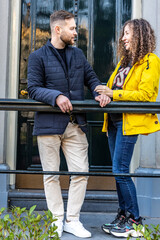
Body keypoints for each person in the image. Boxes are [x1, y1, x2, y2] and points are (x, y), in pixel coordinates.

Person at [27, 10, 110, 238]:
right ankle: (56, 219)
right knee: (51, 175)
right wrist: (55, 96)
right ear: (58, 29)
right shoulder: (37, 56)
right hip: (49, 125)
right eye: (72, 28)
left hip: (76, 125)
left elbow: (92, 80)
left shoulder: (79, 54)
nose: (76, 32)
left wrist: (101, 93)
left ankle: (72, 220)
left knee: (80, 173)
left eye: (75, 28)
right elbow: (33, 88)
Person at [95, 18, 160, 238]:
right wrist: (104, 94)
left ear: (140, 35)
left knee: (121, 170)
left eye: (127, 33)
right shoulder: (124, 62)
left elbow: (146, 95)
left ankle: (134, 220)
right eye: (123, 33)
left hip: (128, 121)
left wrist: (114, 94)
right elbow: (113, 88)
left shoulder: (151, 61)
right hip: (113, 121)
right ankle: (122, 215)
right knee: (117, 172)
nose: (123, 38)